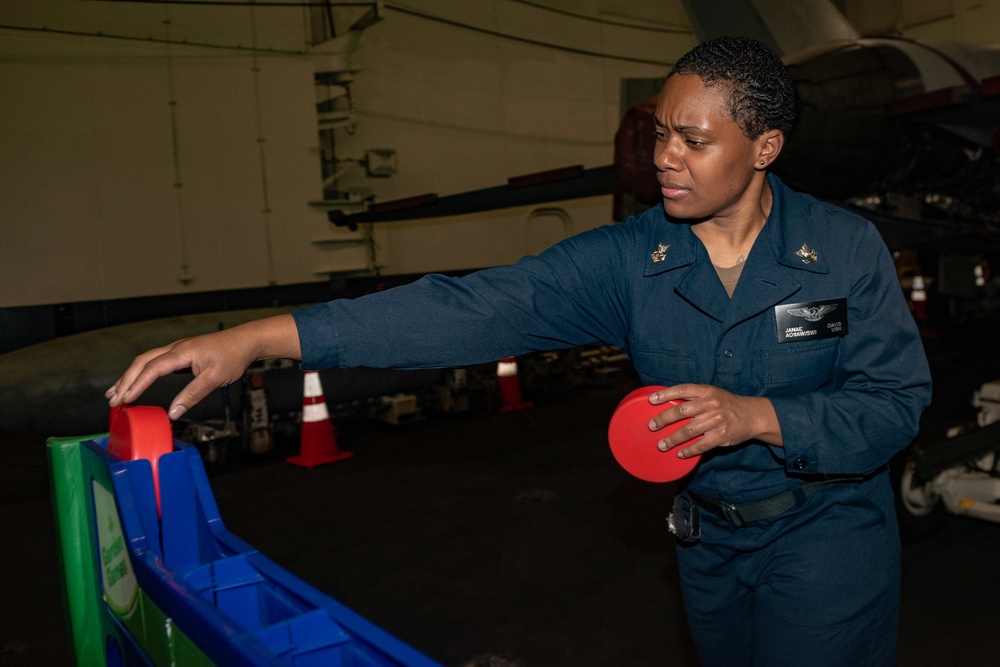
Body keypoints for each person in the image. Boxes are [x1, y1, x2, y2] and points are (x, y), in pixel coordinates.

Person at [108, 36, 931, 667]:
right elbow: (471, 308)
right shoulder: (628, 260)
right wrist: (259, 338)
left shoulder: (842, 249)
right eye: (660, 133)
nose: (663, 157)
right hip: (709, 544)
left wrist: (756, 417)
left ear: (764, 149)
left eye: (693, 139)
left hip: (825, 536)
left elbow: (895, 401)